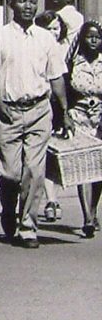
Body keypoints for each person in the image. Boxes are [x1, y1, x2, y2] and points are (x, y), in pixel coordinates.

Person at [0, 0, 73, 247]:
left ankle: (28, 226)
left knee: (34, 170)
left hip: (39, 110)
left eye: (32, 2)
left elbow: (56, 77)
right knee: (11, 174)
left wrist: (64, 111)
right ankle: (9, 208)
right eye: (22, 1)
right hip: (8, 110)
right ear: (12, 4)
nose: (28, 6)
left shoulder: (46, 38)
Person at [60, 20, 102, 236]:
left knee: (99, 171)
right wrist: (64, 114)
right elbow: (64, 89)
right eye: (89, 36)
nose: (93, 40)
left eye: (97, 36)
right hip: (80, 116)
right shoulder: (73, 62)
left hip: (101, 118)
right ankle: (86, 216)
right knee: (84, 167)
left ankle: (94, 209)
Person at [35, 10, 70, 224]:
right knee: (44, 154)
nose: (53, 33)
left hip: (60, 106)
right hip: (41, 103)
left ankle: (52, 198)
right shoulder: (37, 47)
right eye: (48, 29)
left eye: (56, 29)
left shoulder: (68, 50)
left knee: (56, 155)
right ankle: (50, 200)